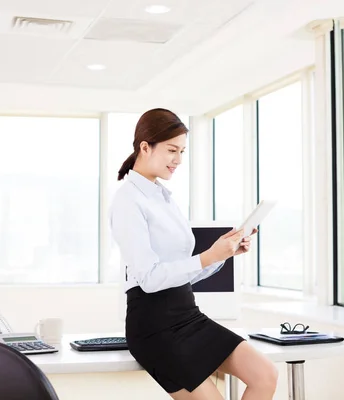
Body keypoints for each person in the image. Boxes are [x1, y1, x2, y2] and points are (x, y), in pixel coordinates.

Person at [109, 108, 278, 400]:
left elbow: (181, 270)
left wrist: (224, 253)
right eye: (172, 150)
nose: (178, 160)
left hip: (188, 315)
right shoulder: (127, 201)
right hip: (154, 325)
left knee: (265, 375)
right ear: (145, 147)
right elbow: (149, 279)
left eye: (182, 151)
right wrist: (209, 255)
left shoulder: (164, 198)